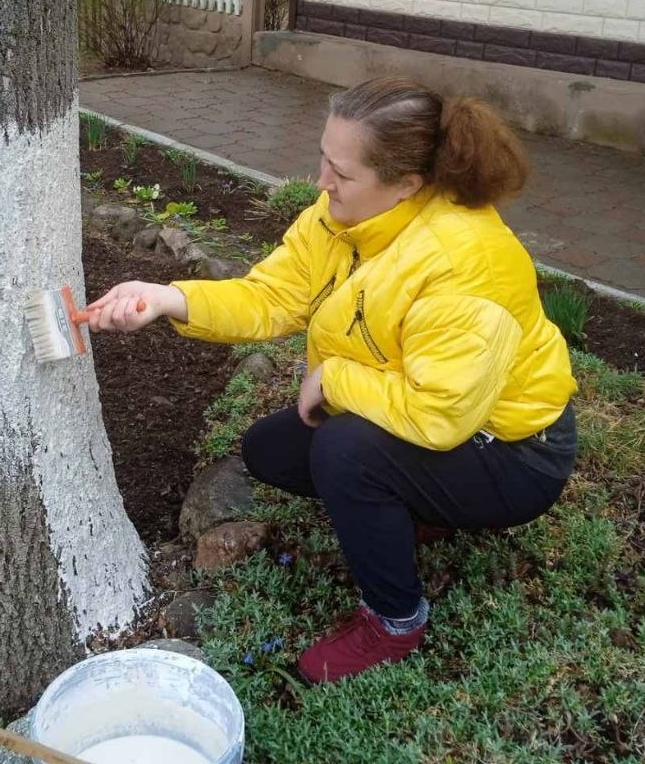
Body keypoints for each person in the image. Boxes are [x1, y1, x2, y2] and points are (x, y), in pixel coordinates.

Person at [87, 77, 578, 684]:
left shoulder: (465, 266)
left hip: (513, 451)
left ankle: (395, 621)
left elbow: (441, 416)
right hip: (434, 412)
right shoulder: (343, 216)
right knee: (270, 450)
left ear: (407, 183)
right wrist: (168, 298)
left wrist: (337, 379)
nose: (320, 181)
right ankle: (417, 507)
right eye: (323, 158)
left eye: (341, 172)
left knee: (345, 451)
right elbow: (272, 296)